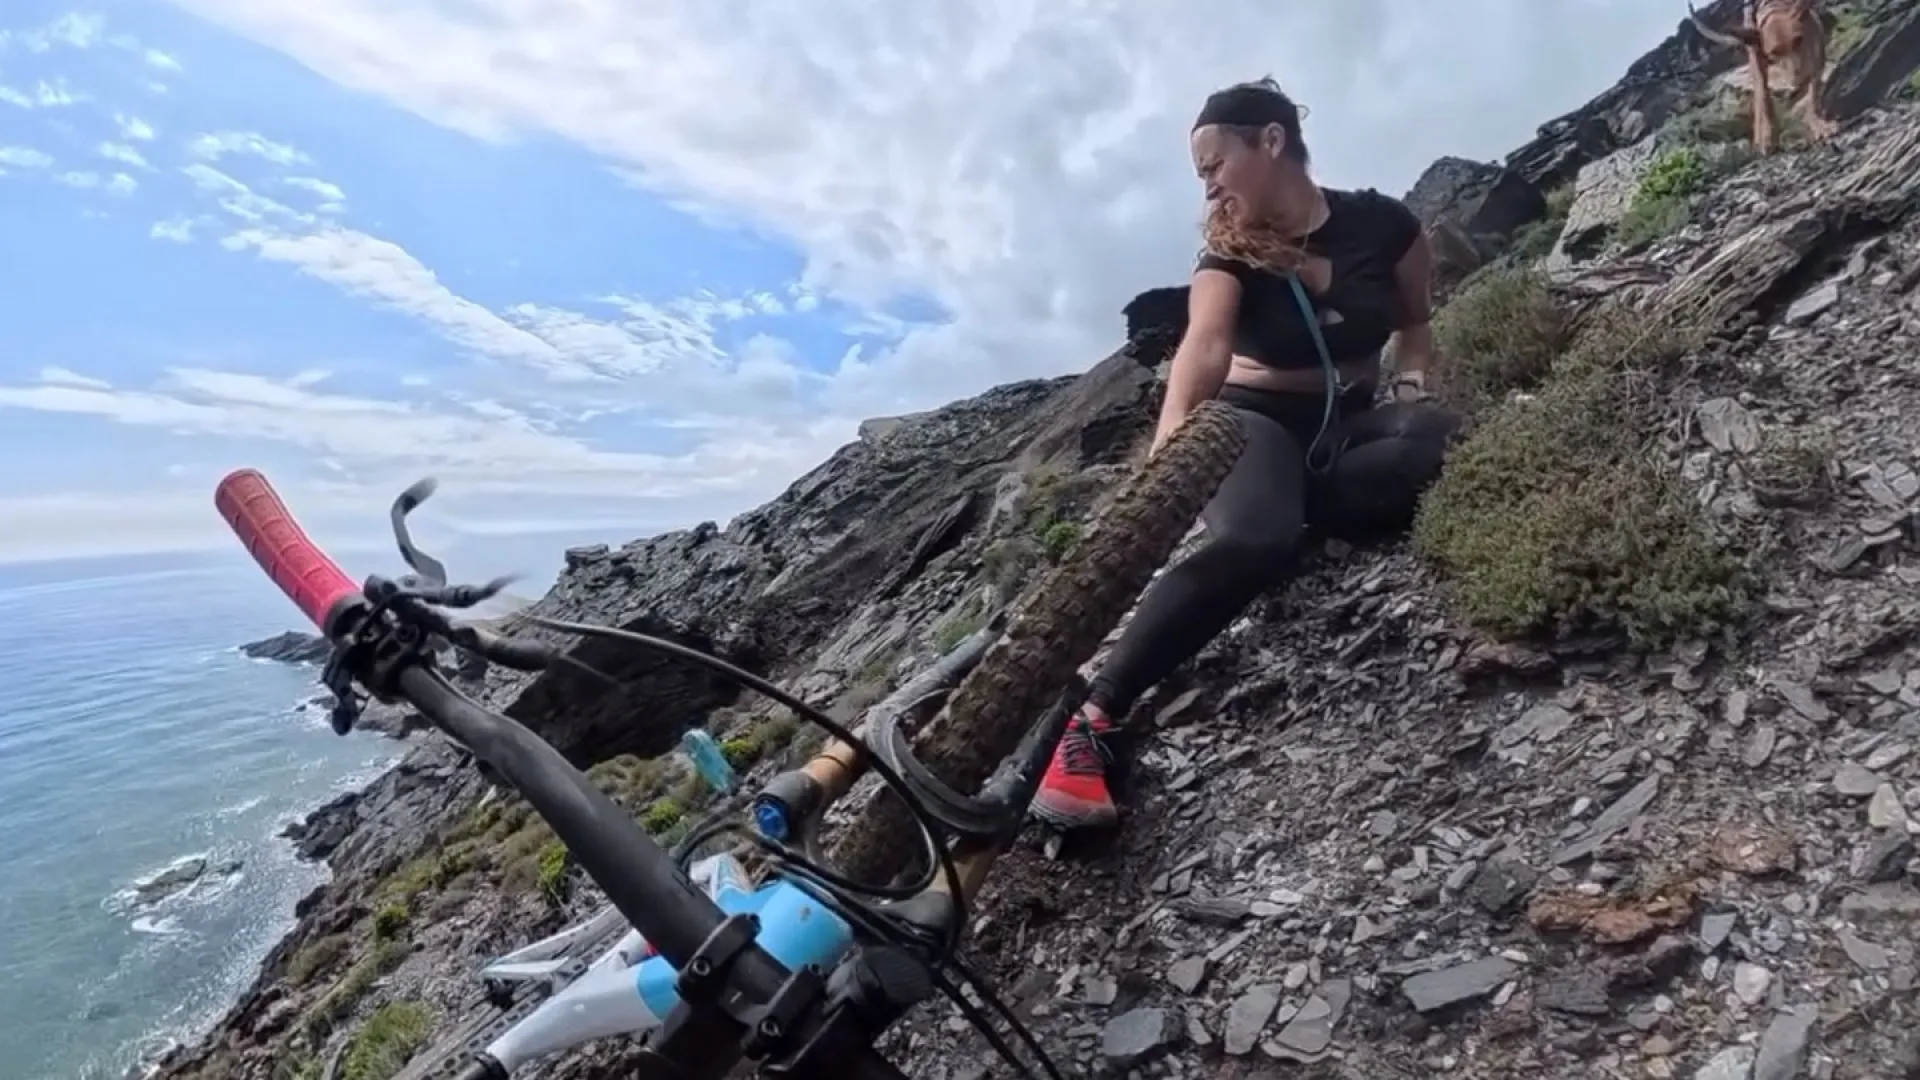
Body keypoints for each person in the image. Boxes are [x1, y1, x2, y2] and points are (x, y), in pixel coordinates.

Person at [1030, 78, 1461, 830]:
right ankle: (1091, 722)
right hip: (1251, 418)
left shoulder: (1383, 226)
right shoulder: (1224, 254)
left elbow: (1416, 326)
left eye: (1212, 164)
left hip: (1345, 419)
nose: (1208, 185)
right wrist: (1169, 452)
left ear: (1269, 140)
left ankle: (1293, 505)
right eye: (1201, 175)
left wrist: (1415, 387)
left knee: (1430, 440)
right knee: (1255, 539)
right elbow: (1204, 349)